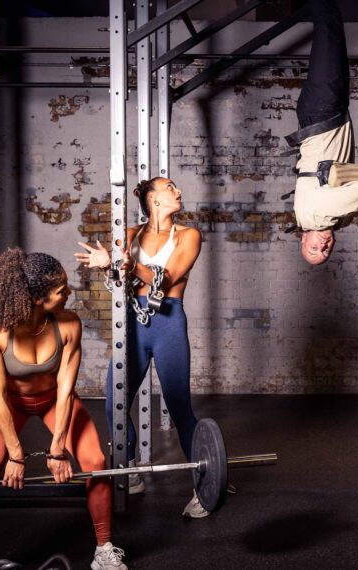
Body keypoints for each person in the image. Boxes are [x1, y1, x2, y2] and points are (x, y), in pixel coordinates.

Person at [0, 249, 126, 570]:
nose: (69, 294)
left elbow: (67, 390)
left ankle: (104, 549)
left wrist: (57, 448)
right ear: (38, 298)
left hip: (55, 399)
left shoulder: (68, 325)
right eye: (61, 291)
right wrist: (15, 454)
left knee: (96, 462)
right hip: (9, 403)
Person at [75, 177, 207, 517]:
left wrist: (126, 265)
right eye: (170, 188)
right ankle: (129, 467)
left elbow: (168, 278)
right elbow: (118, 282)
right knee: (115, 400)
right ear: (153, 199)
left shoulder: (188, 236)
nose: (178, 191)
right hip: (133, 323)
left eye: (178, 186)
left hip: (168, 323)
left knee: (179, 408)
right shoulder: (130, 234)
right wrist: (109, 266)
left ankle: (205, 483)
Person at [286, 0, 358, 265]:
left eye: (314, 249)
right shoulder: (335, 220)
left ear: (303, 238)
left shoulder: (318, 217)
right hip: (330, 115)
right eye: (325, 252)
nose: (322, 247)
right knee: (333, 30)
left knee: (328, 24)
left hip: (322, 114)